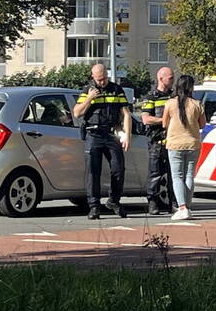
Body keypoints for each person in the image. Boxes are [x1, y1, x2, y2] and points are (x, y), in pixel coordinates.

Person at [73, 63, 132, 220]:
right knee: (93, 172)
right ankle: (94, 206)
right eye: (99, 79)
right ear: (93, 77)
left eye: (105, 78)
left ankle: (114, 201)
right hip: (93, 134)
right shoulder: (87, 90)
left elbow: (125, 113)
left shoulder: (116, 89)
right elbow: (77, 113)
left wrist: (127, 135)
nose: (102, 82)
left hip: (112, 134)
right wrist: (90, 99)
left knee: (118, 169)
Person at [161, 74, 206, 220]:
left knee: (177, 176)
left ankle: (182, 207)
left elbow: (164, 123)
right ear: (191, 87)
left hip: (174, 143)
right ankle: (187, 205)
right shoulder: (197, 104)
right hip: (193, 143)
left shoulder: (170, 103)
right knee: (189, 175)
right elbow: (203, 124)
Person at [139, 66, 175, 215]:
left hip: (173, 140)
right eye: (170, 78)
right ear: (161, 78)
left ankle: (174, 203)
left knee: (174, 174)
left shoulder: (174, 96)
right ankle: (152, 202)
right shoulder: (151, 97)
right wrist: (164, 120)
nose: (173, 80)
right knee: (155, 174)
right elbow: (146, 119)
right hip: (157, 140)